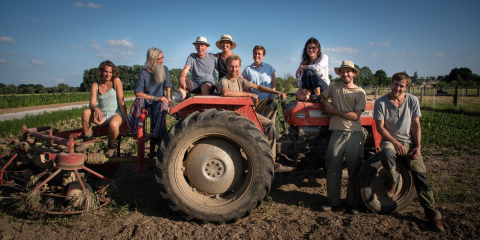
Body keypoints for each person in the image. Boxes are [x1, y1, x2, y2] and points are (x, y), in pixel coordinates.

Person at [374, 72, 445, 232]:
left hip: (409, 143)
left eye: (401, 86)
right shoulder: (381, 102)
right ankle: (393, 181)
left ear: (406, 87)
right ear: (391, 83)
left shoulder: (413, 100)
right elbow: (380, 127)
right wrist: (395, 142)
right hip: (390, 140)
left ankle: (434, 215)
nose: (397, 88)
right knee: (386, 153)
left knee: (421, 178)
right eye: (395, 84)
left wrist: (418, 146)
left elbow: (416, 125)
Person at [218, 54, 289, 171]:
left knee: (272, 102)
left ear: (239, 67)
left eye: (236, 67)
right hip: (239, 113)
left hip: (248, 108)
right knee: (270, 125)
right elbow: (226, 93)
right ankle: (270, 159)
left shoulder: (240, 80)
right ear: (227, 66)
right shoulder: (224, 81)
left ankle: (266, 133)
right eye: (231, 67)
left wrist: (277, 92)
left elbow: (258, 87)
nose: (234, 69)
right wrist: (249, 94)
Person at [320, 60, 366, 215]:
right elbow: (322, 97)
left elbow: (355, 116)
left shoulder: (360, 92)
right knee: (333, 168)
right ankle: (333, 202)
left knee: (354, 169)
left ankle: (352, 203)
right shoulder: (334, 87)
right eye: (342, 71)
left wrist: (335, 110)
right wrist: (327, 104)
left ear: (353, 73)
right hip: (337, 132)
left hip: (354, 134)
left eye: (348, 71)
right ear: (339, 73)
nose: (345, 74)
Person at [77, 60, 128, 157]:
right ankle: (88, 141)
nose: (108, 74)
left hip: (115, 113)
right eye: (106, 71)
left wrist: (127, 118)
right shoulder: (95, 85)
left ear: (113, 73)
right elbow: (91, 103)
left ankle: (111, 147)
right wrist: (96, 109)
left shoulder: (116, 81)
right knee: (85, 113)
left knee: (113, 124)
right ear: (101, 72)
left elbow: (121, 101)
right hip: (102, 115)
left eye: (110, 72)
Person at [131, 47, 172, 146]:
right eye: (159, 59)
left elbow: (168, 86)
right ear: (152, 60)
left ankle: (156, 135)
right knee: (138, 100)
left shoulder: (164, 69)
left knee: (163, 105)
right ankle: (135, 131)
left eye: (162, 58)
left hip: (159, 102)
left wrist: (168, 99)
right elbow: (138, 93)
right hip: (147, 101)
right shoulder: (143, 73)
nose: (162, 61)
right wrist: (156, 98)